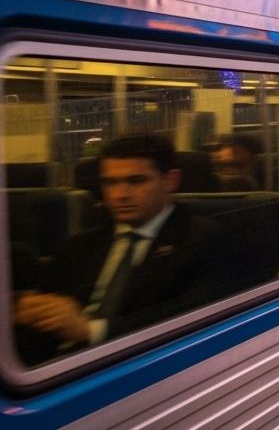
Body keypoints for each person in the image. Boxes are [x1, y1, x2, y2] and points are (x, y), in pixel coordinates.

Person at [12, 133, 232, 362]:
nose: (120, 195)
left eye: (136, 181)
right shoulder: (81, 245)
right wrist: (27, 310)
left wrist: (91, 330)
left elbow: (190, 320)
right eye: (110, 183)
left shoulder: (203, 239)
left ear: (171, 180)